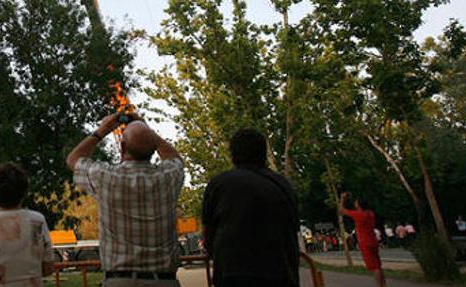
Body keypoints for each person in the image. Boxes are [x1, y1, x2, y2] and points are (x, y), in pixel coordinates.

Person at [67, 111, 184, 287]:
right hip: (164, 281)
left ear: (121, 147)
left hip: (120, 281)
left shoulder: (105, 177)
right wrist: (147, 131)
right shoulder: (168, 177)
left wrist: (103, 130)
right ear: (153, 149)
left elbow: (73, 159)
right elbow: (175, 158)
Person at [202, 128, 299, 287]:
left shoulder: (218, 185)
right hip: (282, 275)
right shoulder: (284, 185)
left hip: (233, 276)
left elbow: (208, 237)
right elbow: (292, 229)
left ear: (232, 154)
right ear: (263, 153)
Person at [339, 192, 385, 287]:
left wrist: (342, 199)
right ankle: (383, 284)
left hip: (365, 242)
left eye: (356, 202)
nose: (355, 204)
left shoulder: (358, 215)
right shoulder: (370, 213)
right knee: (378, 265)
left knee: (374, 267)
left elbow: (341, 210)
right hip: (373, 240)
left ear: (359, 205)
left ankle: (379, 285)